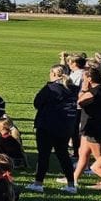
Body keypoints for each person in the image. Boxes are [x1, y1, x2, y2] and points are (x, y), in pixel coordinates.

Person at [28, 65, 78, 193]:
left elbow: (37, 103)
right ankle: (71, 184)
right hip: (66, 126)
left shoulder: (50, 88)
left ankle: (38, 183)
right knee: (63, 154)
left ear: (54, 74)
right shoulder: (74, 89)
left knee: (44, 155)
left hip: (47, 125)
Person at [74, 68, 101, 188]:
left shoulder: (94, 92)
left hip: (94, 127)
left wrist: (83, 89)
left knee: (100, 157)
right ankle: (73, 178)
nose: (82, 80)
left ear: (89, 79)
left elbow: (79, 102)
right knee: (83, 154)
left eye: (84, 78)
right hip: (92, 126)